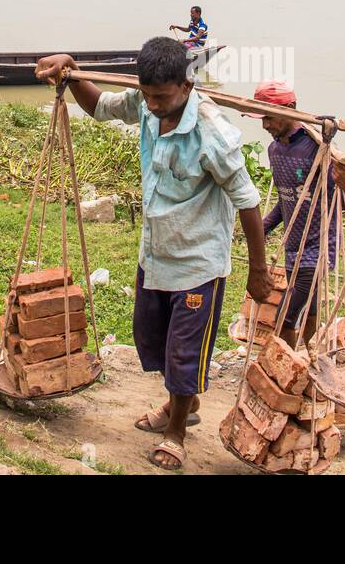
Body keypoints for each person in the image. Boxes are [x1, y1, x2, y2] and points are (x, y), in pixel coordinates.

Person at [35, 38, 272, 471]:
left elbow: (248, 201)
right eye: (147, 95)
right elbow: (101, 107)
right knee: (154, 340)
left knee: (184, 352)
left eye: (162, 97)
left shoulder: (212, 133)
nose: (154, 105)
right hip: (157, 254)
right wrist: (73, 70)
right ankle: (183, 402)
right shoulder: (146, 105)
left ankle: (176, 432)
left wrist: (258, 270)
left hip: (199, 264)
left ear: (186, 85)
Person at [247, 81, 345, 349]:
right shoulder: (275, 151)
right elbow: (288, 200)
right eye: (262, 118)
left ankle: (284, 364)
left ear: (290, 110)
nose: (265, 125)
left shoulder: (318, 150)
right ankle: (310, 361)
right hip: (292, 247)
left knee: (286, 316)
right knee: (308, 311)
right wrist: (262, 228)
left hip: (318, 248)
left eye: (270, 117)